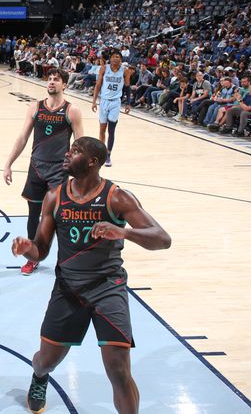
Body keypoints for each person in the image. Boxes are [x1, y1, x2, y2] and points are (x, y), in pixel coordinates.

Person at [12, 137, 171, 414]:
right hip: (68, 290)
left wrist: (124, 231)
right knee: (45, 361)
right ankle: (39, 377)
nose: (66, 154)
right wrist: (28, 249)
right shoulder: (55, 197)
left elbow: (162, 238)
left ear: (91, 162)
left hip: (108, 288)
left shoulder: (117, 197)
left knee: (118, 369)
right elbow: (41, 251)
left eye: (75, 151)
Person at [3, 68, 84, 275]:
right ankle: (32, 256)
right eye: (49, 79)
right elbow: (22, 138)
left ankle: (66, 258)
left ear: (64, 85)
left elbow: (80, 145)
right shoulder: (35, 107)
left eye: (56, 79)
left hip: (59, 171)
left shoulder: (71, 110)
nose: (51, 82)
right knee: (33, 214)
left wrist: (81, 173)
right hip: (37, 168)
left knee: (60, 217)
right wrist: (8, 163)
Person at [92, 52, 131, 167]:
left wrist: (128, 104)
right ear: (110, 58)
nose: (115, 58)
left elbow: (128, 88)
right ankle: (101, 153)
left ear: (121, 59)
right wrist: (94, 101)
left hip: (115, 103)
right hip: (104, 101)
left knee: (111, 130)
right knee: (102, 129)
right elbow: (98, 85)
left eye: (118, 57)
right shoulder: (104, 68)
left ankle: (108, 155)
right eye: (113, 56)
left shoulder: (125, 71)